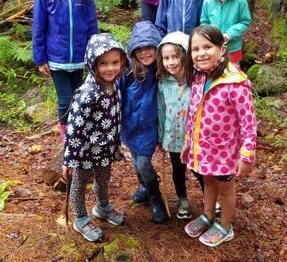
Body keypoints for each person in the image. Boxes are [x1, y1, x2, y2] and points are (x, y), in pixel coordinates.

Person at [181, 26, 257, 247]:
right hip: (202, 147)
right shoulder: (198, 76)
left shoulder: (235, 83)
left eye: (207, 47)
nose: (201, 53)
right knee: (207, 180)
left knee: (225, 188)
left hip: (224, 151)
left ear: (221, 50)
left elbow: (248, 123)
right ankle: (208, 215)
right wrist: (188, 142)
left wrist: (246, 155)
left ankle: (225, 225)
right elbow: (193, 112)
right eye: (195, 49)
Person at [62, 33, 128, 242]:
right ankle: (80, 218)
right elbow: (74, 128)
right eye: (103, 63)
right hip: (85, 151)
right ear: (92, 64)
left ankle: (102, 207)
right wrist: (70, 158)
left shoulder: (114, 85)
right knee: (80, 182)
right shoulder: (87, 92)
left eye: (115, 62)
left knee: (103, 178)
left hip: (105, 148)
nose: (111, 68)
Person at [32, 0, 98, 142]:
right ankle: (66, 135)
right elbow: (39, 28)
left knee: (79, 97)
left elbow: (92, 28)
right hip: (56, 59)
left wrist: (94, 56)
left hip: (79, 58)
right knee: (64, 99)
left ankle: (78, 129)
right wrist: (40, 58)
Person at [120, 21, 168, 224]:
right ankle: (144, 187)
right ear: (133, 51)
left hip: (149, 127)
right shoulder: (128, 72)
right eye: (140, 49)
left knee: (144, 164)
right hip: (130, 126)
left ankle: (155, 197)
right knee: (135, 161)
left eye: (150, 48)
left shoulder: (161, 71)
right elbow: (118, 96)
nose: (145, 53)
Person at [156, 31, 192, 219]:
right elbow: (161, 111)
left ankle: (212, 200)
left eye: (176, 56)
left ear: (186, 56)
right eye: (166, 57)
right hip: (173, 136)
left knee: (200, 171)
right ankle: (182, 199)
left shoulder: (196, 82)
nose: (170, 62)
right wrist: (161, 137)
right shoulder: (163, 83)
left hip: (193, 138)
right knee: (178, 169)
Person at [201, 0, 251, 65]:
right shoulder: (208, 0)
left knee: (233, 74)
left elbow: (245, 21)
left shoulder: (240, 0)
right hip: (214, 47)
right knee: (215, 74)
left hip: (233, 47)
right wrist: (209, 35)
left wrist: (230, 34)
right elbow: (204, 22)